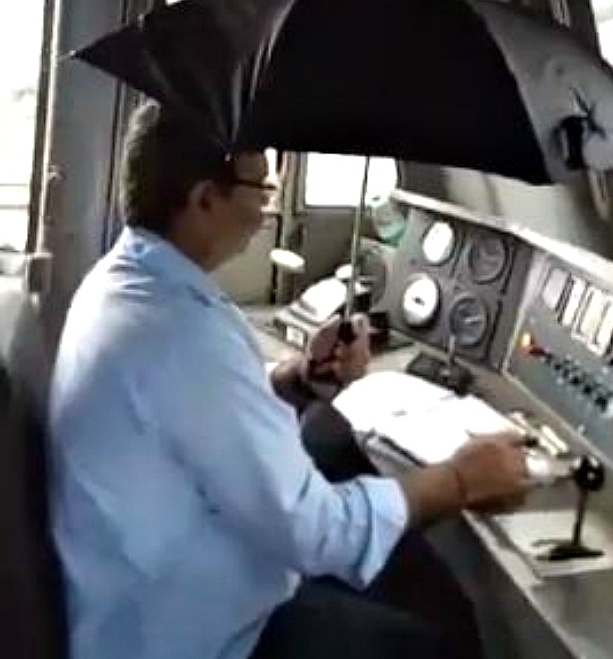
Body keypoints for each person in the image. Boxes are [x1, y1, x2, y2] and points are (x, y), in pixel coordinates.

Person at [49, 101, 532, 659]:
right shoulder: (180, 331)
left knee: (329, 439)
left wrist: (296, 378)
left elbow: (194, 409)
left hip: (148, 585)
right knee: (439, 647)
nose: (266, 209)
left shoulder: (129, 281)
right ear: (204, 199)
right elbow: (320, 531)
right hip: (191, 635)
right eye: (261, 189)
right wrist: (461, 480)